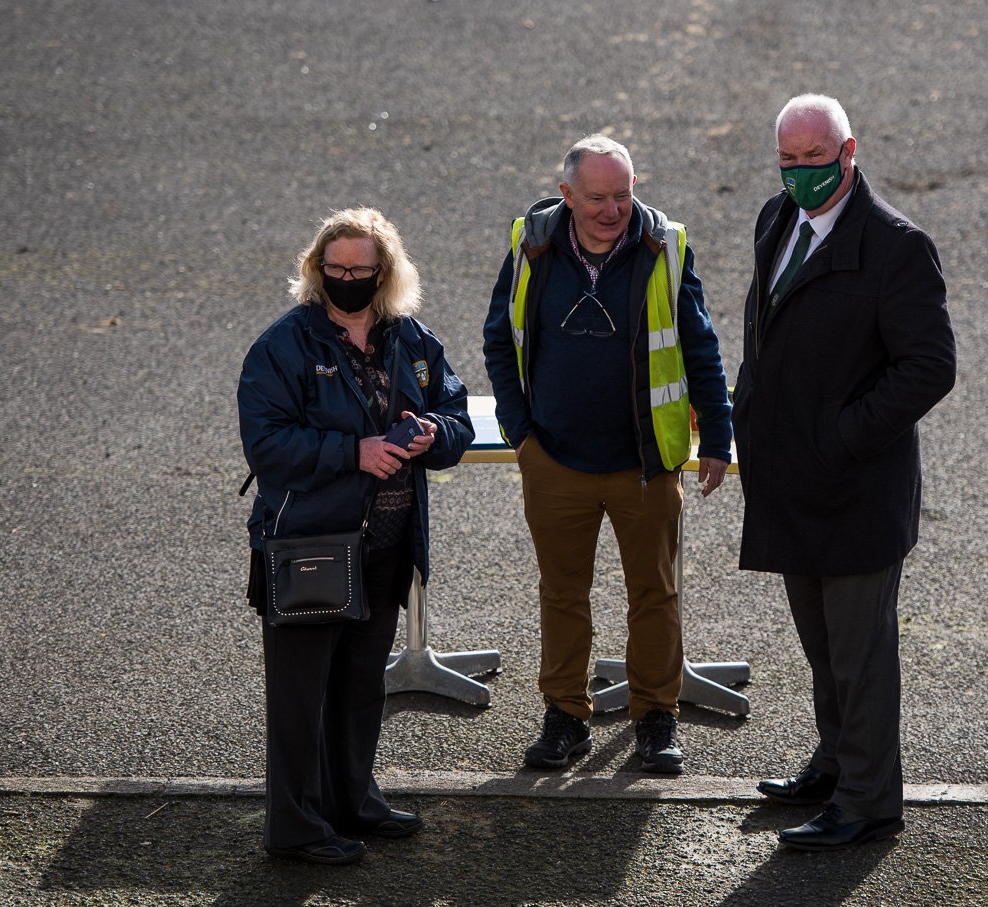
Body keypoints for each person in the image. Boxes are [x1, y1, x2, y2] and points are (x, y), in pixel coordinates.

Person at [733, 95, 956, 851]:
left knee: (861, 658)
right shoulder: (775, 219)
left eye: (814, 159)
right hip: (794, 483)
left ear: (849, 151)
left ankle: (867, 801)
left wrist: (842, 437)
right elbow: (763, 329)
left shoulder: (897, 245)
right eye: (788, 161)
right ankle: (834, 765)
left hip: (855, 489)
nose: (800, 175)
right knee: (823, 648)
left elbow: (930, 366)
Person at [483, 135, 732, 774]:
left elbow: (700, 348)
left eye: (623, 194)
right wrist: (521, 433)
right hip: (555, 461)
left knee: (655, 593)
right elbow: (498, 339)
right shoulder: (531, 245)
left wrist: (719, 441)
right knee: (563, 593)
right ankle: (565, 717)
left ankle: (656, 719)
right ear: (567, 195)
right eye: (597, 197)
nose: (612, 209)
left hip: (645, 465)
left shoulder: (665, 248)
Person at [238, 207, 474, 864]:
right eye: (334, 269)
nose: (346, 280)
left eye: (359, 271)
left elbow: (456, 418)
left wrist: (433, 434)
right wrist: (354, 452)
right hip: (310, 545)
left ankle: (354, 801)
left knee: (360, 685)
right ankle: (294, 825)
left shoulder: (413, 339)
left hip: (385, 546)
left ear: (384, 273)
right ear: (317, 270)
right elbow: (267, 445)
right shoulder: (283, 346)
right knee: (299, 698)